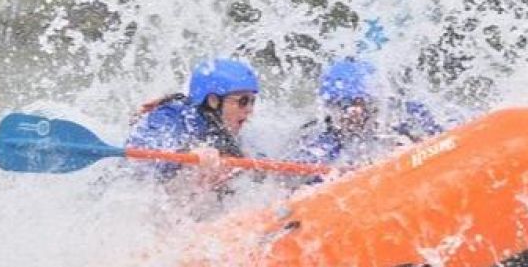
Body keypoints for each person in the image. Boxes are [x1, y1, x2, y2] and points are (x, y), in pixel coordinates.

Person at [126, 57, 260, 192]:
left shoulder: (226, 131)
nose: (250, 110)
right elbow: (147, 156)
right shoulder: (172, 115)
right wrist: (189, 153)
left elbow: (260, 163)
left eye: (252, 101)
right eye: (243, 101)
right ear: (213, 101)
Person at [288, 56, 443, 172]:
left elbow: (445, 141)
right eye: (342, 105)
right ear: (329, 108)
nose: (352, 112)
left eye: (359, 102)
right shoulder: (318, 144)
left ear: (376, 102)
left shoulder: (407, 116)